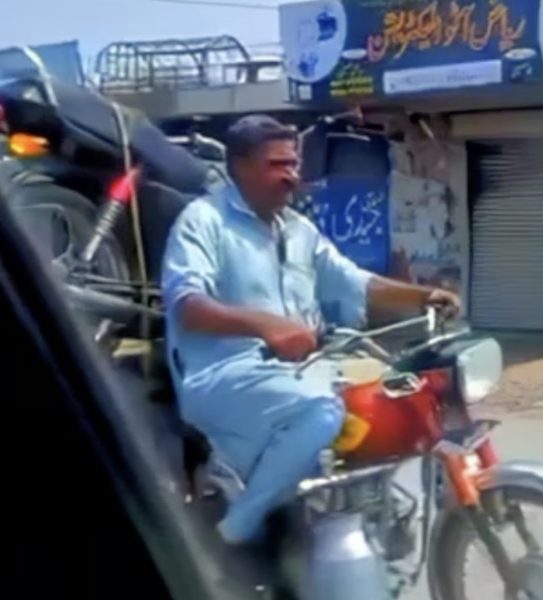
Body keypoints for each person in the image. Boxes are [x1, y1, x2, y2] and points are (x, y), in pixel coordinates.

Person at [161, 115, 459, 544]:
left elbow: (354, 280)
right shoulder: (204, 220)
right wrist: (266, 325)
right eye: (277, 164)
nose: (291, 175)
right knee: (320, 411)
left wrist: (424, 296)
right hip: (224, 374)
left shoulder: (299, 230)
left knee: (399, 395)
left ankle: (370, 507)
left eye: (294, 164)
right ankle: (235, 529)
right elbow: (187, 306)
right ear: (240, 166)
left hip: (302, 369)